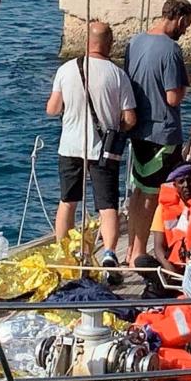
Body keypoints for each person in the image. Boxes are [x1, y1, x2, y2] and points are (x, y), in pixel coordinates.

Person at [46, 21, 138, 271]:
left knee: (68, 201)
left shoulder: (66, 69)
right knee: (107, 205)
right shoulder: (117, 75)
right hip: (103, 149)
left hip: (70, 146)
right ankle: (109, 253)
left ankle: (62, 249)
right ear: (109, 44)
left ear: (87, 42)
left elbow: (52, 109)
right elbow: (130, 118)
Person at [125, 0, 191, 267]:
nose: (186, 30)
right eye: (186, 24)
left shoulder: (135, 42)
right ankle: (141, 253)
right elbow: (173, 97)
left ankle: (131, 247)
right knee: (156, 194)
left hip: (138, 128)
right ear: (178, 18)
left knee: (138, 191)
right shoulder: (171, 50)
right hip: (162, 132)